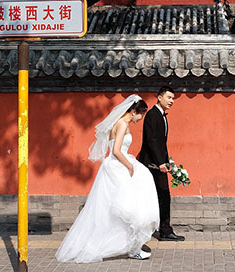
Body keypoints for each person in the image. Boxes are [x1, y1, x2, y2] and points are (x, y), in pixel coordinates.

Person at [55, 95, 159, 263]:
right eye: (141, 114)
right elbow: (117, 151)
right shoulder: (122, 124)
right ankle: (131, 247)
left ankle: (132, 246)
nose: (141, 119)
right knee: (129, 206)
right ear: (133, 111)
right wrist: (130, 166)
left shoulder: (119, 123)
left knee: (118, 207)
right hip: (119, 165)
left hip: (114, 165)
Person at [138, 86, 185, 241]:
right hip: (152, 164)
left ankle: (161, 229)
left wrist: (167, 161)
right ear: (159, 97)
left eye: (173, 98)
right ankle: (164, 231)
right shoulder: (152, 115)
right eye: (169, 97)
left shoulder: (161, 116)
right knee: (162, 196)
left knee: (160, 196)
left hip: (158, 163)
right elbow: (151, 141)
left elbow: (161, 143)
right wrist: (160, 163)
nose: (171, 101)